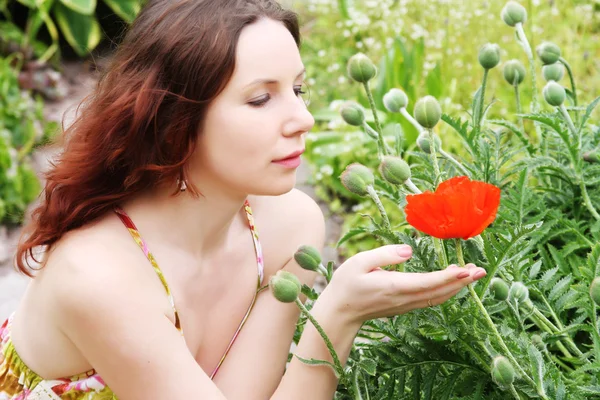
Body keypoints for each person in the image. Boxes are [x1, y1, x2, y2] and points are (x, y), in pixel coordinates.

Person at [0, 0, 487, 399]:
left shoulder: (288, 227)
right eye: (261, 98)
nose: (303, 119)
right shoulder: (101, 276)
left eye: (298, 89)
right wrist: (337, 315)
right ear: (174, 119)